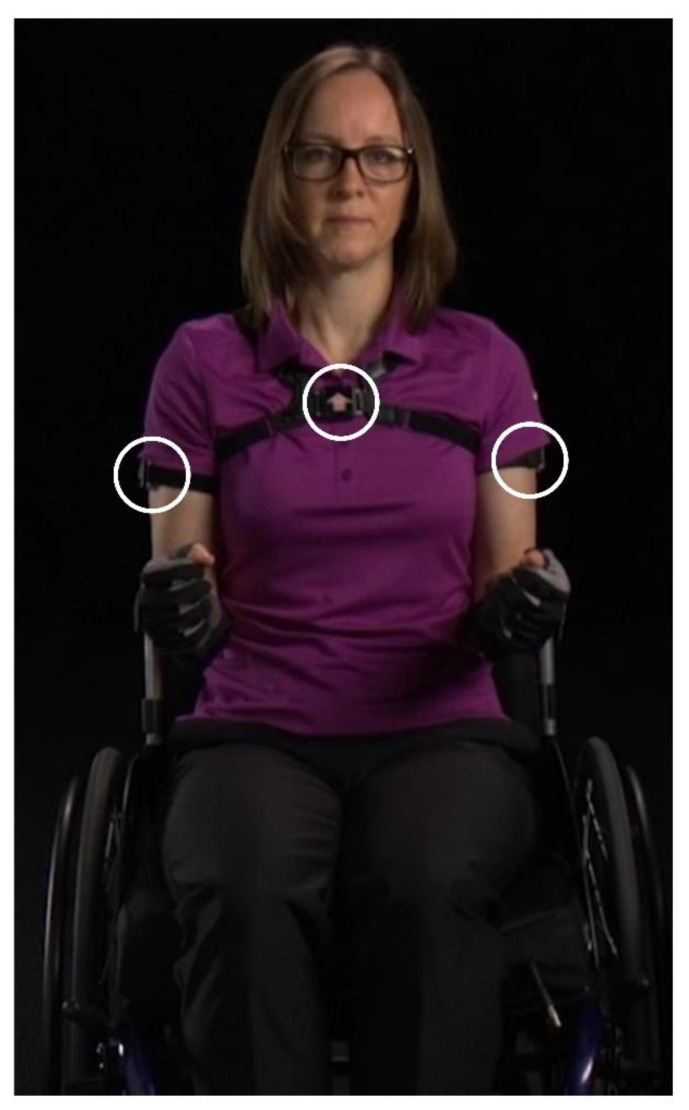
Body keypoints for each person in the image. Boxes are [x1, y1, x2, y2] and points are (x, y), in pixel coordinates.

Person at [133, 42, 570, 1095]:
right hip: (255, 727)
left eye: (380, 156)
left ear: (413, 182)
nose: (349, 182)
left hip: (440, 728)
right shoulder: (202, 364)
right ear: (279, 175)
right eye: (319, 154)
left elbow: (500, 580)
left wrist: (520, 605)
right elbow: (181, 567)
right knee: (240, 881)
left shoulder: (484, 364)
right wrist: (181, 602)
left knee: (422, 876)